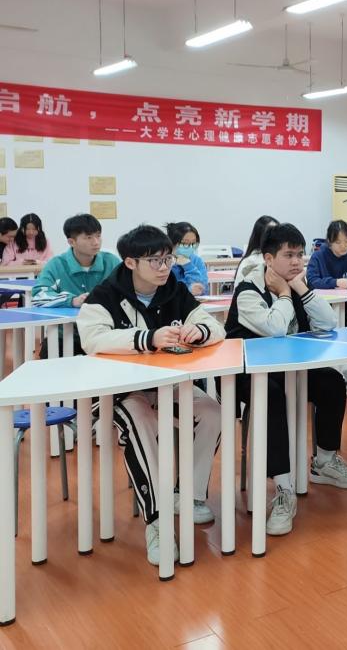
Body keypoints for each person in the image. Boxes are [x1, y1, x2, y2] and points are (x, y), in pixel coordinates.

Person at [76, 225, 225, 566]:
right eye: (154, 261)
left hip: (165, 386)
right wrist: (147, 338)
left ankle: (188, 494)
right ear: (130, 262)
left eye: (168, 259)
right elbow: (93, 339)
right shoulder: (106, 294)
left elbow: (215, 326)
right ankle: (157, 521)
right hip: (118, 391)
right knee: (140, 420)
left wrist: (200, 330)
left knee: (212, 412)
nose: (164, 267)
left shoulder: (174, 290)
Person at [225, 223, 347, 537]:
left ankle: (324, 461)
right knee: (272, 397)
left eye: (300, 254)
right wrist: (286, 294)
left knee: (332, 382)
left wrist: (300, 289)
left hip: (291, 368)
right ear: (269, 259)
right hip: (248, 373)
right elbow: (274, 328)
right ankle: (284, 489)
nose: (297, 261)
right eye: (289, 255)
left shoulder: (298, 284)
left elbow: (328, 323)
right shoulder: (248, 289)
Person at [32, 214, 120, 354]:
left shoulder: (112, 262)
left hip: (105, 333)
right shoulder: (56, 265)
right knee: (51, 357)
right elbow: (38, 296)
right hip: (66, 335)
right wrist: (72, 300)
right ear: (71, 242)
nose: (96, 242)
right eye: (88, 237)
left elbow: (130, 290)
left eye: (98, 236)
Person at [307, 219, 347, 290]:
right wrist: (335, 282)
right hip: (322, 297)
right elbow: (312, 282)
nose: (343, 246)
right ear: (329, 242)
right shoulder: (318, 256)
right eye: (338, 242)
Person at [234, 215, 279, 286]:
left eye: (277, 233)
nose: (276, 238)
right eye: (270, 233)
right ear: (259, 236)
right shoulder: (252, 261)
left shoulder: (274, 257)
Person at [166, 221, 209, 296]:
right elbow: (168, 290)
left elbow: (202, 288)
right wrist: (188, 290)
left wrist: (188, 265)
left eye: (193, 243)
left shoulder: (197, 260)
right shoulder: (166, 262)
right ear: (172, 243)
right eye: (185, 243)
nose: (190, 247)